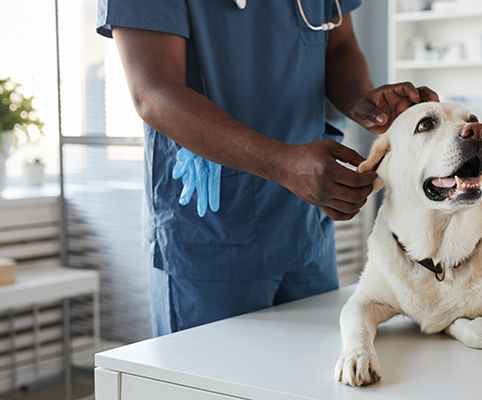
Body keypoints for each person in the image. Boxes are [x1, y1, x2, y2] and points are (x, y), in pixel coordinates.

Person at [97, 0, 438, 336]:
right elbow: (153, 93)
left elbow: (339, 45)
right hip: (211, 237)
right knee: (211, 385)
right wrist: (285, 166)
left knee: (314, 381)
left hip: (304, 229)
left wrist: (362, 100)